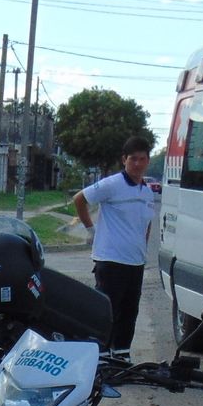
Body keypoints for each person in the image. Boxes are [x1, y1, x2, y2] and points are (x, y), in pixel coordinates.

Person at [72, 135, 158, 360]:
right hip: (111, 260)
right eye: (133, 159)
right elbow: (80, 199)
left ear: (148, 161)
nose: (137, 164)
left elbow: (146, 225)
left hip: (135, 262)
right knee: (108, 311)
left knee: (130, 312)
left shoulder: (147, 192)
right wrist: (91, 230)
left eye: (142, 159)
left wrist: (143, 248)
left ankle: (121, 354)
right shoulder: (112, 184)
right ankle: (100, 355)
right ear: (124, 160)